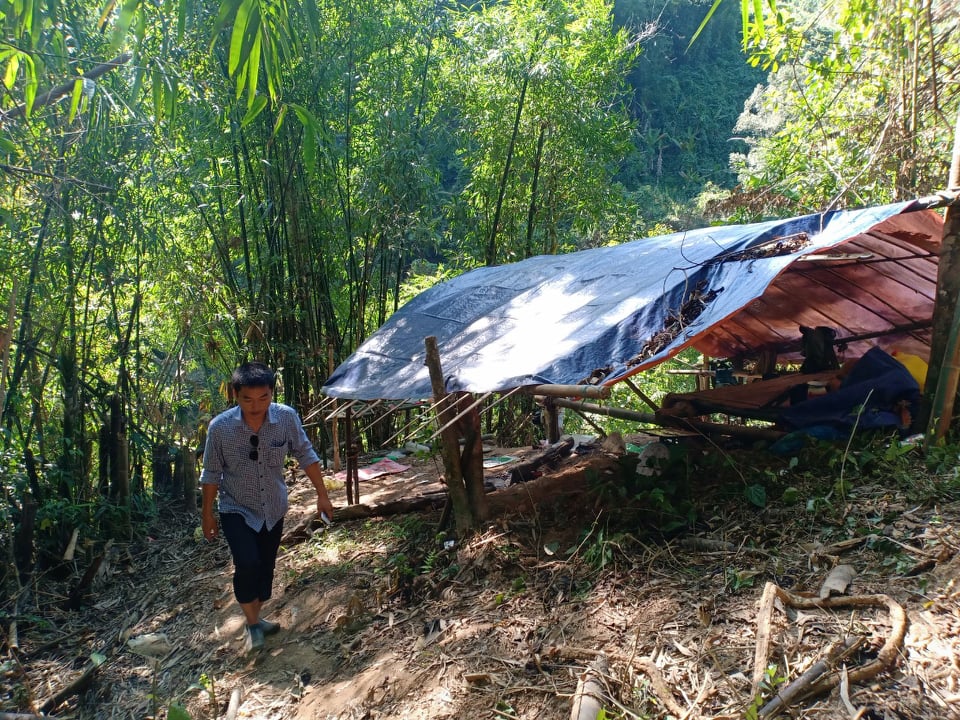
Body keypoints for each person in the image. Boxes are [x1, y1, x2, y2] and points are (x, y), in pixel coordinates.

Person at [200, 361, 335, 653]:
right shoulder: (220, 428)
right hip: (235, 507)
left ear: (272, 393)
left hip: (273, 505)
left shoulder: (286, 418)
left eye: (263, 398)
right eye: (247, 399)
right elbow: (211, 474)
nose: (256, 405)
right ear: (235, 395)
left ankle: (257, 617)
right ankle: (251, 625)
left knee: (265, 568)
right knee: (246, 562)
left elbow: (306, 454)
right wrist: (207, 514)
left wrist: (322, 495)